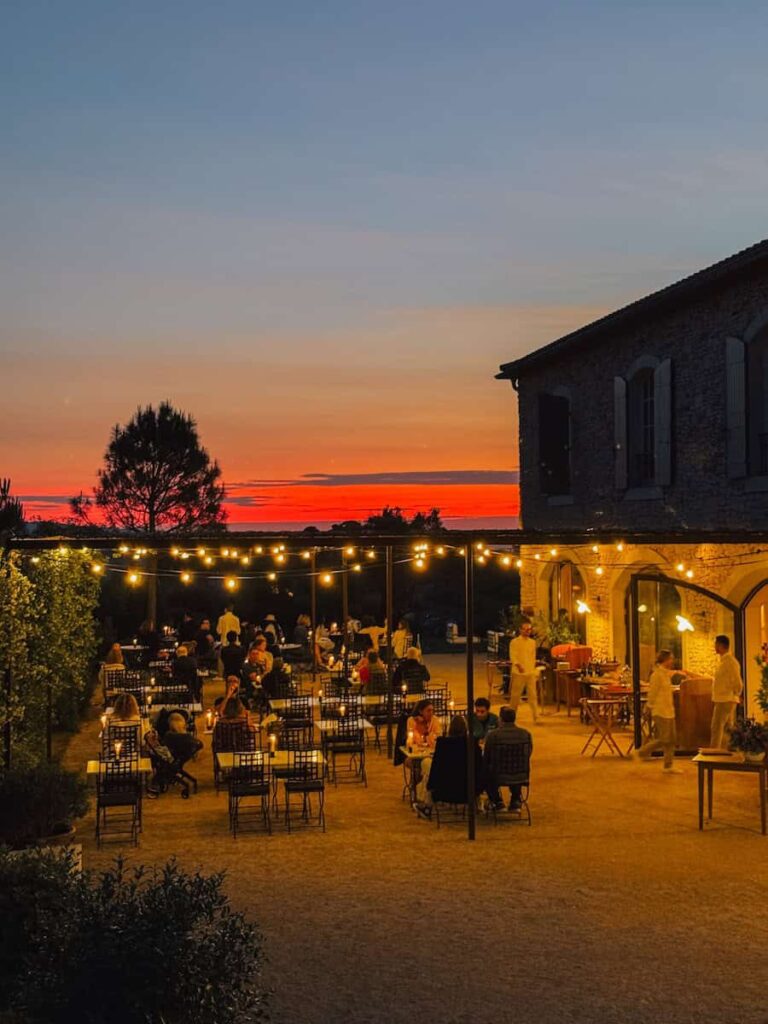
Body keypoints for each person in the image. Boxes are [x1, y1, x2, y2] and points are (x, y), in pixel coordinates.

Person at [635, 649, 681, 773]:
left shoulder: (665, 674)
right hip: (660, 711)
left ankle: (668, 765)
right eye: (670, 658)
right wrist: (649, 707)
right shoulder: (657, 675)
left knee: (671, 739)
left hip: (669, 710)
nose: (672, 661)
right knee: (664, 739)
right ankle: (642, 752)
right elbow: (653, 693)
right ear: (665, 660)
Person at [415, 715, 471, 814]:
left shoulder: (443, 745)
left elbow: (436, 768)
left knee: (427, 766)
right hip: (468, 788)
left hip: (443, 788)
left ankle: (427, 805)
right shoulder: (471, 744)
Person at [483, 705, 533, 811]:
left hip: (498, 775)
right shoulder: (525, 734)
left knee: (485, 770)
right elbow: (528, 753)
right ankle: (515, 799)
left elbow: (486, 756)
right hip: (520, 774)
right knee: (515, 763)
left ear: (500, 719)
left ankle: (497, 800)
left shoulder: (493, 735)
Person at [710, 634, 743, 749]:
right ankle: (729, 751)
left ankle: (714, 755)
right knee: (727, 728)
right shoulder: (724, 662)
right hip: (723, 699)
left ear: (720, 646)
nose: (714, 646)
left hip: (725, 700)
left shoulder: (730, 662)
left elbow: (737, 682)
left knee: (717, 727)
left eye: (715, 644)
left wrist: (735, 694)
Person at [508, 620, 538, 723]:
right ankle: (511, 715)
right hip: (518, 672)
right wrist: (518, 665)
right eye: (525, 629)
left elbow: (532, 657)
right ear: (520, 630)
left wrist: (534, 670)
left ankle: (535, 715)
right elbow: (513, 656)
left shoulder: (532, 643)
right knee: (515, 695)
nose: (527, 631)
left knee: (533, 695)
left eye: (529, 629)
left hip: (530, 671)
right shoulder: (515, 642)